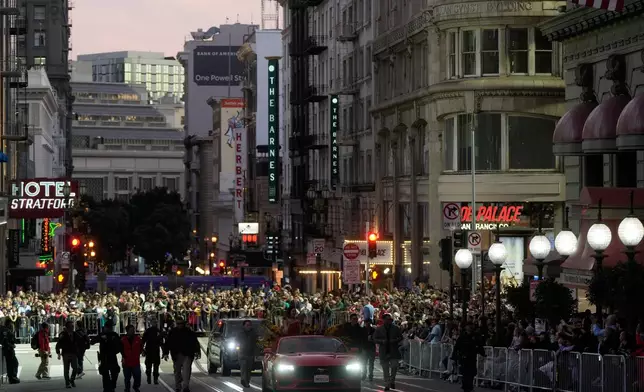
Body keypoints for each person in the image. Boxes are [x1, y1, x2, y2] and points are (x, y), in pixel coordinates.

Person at [163, 317, 200, 392]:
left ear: (184, 324)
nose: (180, 325)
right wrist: (165, 353)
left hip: (187, 354)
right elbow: (168, 343)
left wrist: (197, 351)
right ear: (176, 324)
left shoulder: (189, 332)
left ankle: (185, 386)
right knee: (177, 371)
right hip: (176, 354)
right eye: (178, 324)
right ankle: (178, 386)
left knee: (186, 370)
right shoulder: (172, 332)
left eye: (181, 324)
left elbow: (195, 342)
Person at [372, 313, 403, 391]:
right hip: (383, 351)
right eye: (387, 319)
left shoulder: (395, 328)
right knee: (385, 369)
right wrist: (382, 341)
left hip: (393, 351)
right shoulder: (379, 329)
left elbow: (400, 337)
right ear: (383, 320)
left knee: (394, 367)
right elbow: (374, 339)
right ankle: (387, 384)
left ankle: (392, 380)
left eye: (390, 320)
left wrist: (395, 340)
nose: (389, 321)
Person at [452, 322, 486, 392]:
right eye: (468, 326)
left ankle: (469, 387)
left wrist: (483, 353)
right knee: (464, 374)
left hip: (472, 358)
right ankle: (466, 387)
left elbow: (480, 345)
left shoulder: (476, 336)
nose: (470, 327)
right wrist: (454, 357)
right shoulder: (462, 336)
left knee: (471, 374)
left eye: (471, 326)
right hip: (463, 358)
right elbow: (456, 347)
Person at [93, 319, 123, 392]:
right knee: (105, 373)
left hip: (112, 355)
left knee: (114, 372)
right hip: (104, 356)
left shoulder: (114, 335)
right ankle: (107, 388)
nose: (109, 329)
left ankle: (112, 386)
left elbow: (120, 345)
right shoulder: (102, 334)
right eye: (108, 327)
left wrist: (119, 352)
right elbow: (93, 341)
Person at [56, 320, 79, 388]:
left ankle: (72, 379)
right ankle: (67, 383)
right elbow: (58, 344)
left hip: (73, 353)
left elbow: (78, 342)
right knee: (66, 369)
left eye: (73, 326)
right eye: (71, 326)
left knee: (75, 368)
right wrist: (58, 353)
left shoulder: (75, 334)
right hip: (66, 353)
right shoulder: (63, 334)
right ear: (67, 327)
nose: (72, 327)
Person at [142, 318, 164, 384]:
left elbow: (161, 342)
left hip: (155, 350)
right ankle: (149, 377)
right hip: (149, 350)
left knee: (156, 366)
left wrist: (164, 352)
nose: (154, 323)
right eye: (153, 322)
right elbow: (143, 341)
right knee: (149, 366)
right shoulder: (148, 331)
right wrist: (142, 350)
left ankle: (155, 379)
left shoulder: (158, 331)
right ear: (151, 323)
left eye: (155, 322)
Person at [237, 320, 258, 388]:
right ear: (244, 326)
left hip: (250, 354)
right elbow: (236, 341)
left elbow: (256, 342)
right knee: (243, 368)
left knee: (248, 370)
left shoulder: (253, 333)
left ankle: (247, 382)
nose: (248, 326)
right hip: (242, 353)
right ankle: (243, 380)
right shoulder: (240, 333)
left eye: (249, 325)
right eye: (247, 325)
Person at [121, 324, 143, 392]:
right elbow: (121, 350)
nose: (133, 331)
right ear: (127, 331)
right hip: (126, 361)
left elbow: (141, 348)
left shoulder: (138, 339)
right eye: (131, 330)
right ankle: (127, 389)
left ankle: (136, 386)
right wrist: (124, 357)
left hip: (135, 361)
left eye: (133, 330)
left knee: (137, 376)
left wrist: (139, 353)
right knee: (127, 378)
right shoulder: (123, 340)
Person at [0, 319, 20, 384]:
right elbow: (10, 340)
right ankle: (12, 377)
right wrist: (11, 345)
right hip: (8, 349)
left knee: (11, 364)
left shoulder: (4, 330)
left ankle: (12, 377)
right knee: (13, 363)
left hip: (7, 348)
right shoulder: (7, 331)